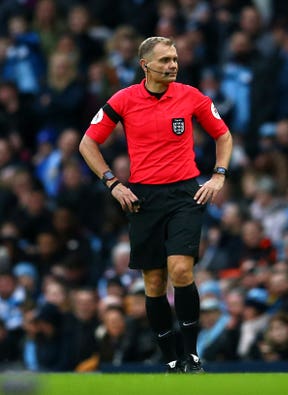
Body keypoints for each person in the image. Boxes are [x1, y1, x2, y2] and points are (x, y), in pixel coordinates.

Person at [79, 36, 233, 373]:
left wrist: (218, 175)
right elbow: (88, 143)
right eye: (164, 60)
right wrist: (112, 183)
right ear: (144, 65)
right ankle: (172, 359)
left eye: (175, 59)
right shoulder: (123, 100)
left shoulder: (192, 97)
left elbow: (223, 134)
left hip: (184, 195)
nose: (172, 65)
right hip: (143, 198)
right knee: (153, 283)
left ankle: (192, 355)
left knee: (181, 269)